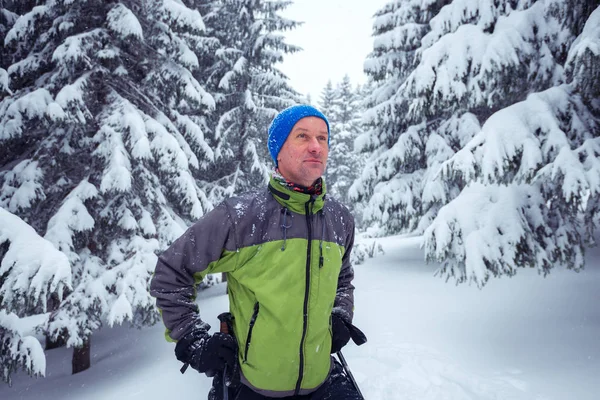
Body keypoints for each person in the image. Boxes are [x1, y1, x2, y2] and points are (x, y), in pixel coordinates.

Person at [150, 104, 366, 399]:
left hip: (322, 382)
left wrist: (341, 313)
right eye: (302, 137)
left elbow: (343, 276)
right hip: (254, 388)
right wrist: (192, 339)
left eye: (323, 138)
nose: (316, 146)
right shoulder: (240, 217)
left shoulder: (339, 219)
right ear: (278, 151)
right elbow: (172, 272)